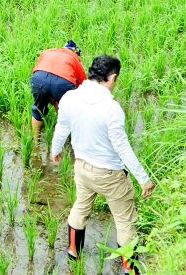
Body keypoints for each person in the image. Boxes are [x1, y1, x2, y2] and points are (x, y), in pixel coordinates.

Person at [51, 55, 156, 275]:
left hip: (82, 168)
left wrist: (55, 150)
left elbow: (62, 127)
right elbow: (123, 148)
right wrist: (143, 179)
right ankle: (130, 269)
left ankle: (73, 252)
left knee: (80, 207)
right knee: (125, 220)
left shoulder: (70, 97)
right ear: (113, 77)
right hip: (110, 175)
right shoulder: (111, 108)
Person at [30, 39, 87, 141]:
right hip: (62, 82)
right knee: (66, 108)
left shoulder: (49, 51)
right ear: (76, 53)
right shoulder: (75, 58)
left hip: (39, 79)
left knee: (38, 109)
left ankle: (35, 142)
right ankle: (68, 140)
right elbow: (82, 87)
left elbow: (39, 69)